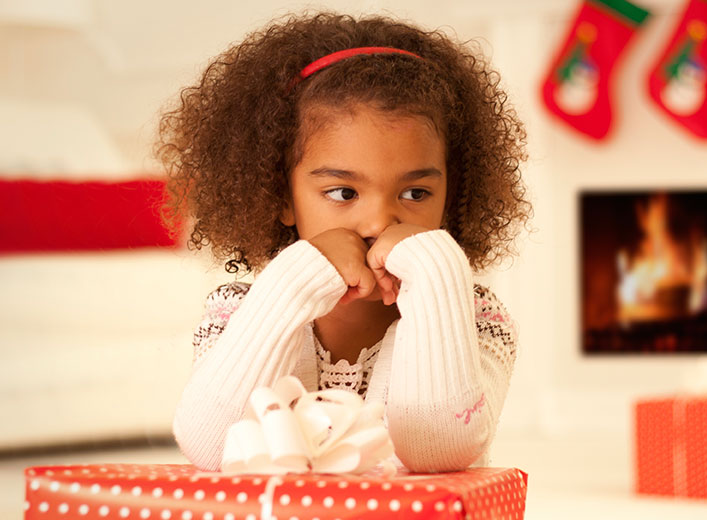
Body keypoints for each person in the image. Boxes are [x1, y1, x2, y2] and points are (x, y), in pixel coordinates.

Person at [157, 12, 529, 473]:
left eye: (415, 193)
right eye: (343, 193)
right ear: (281, 196)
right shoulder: (239, 313)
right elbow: (213, 448)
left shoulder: (476, 318)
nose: (377, 220)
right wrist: (292, 283)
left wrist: (436, 271)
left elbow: (440, 450)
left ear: (451, 197)